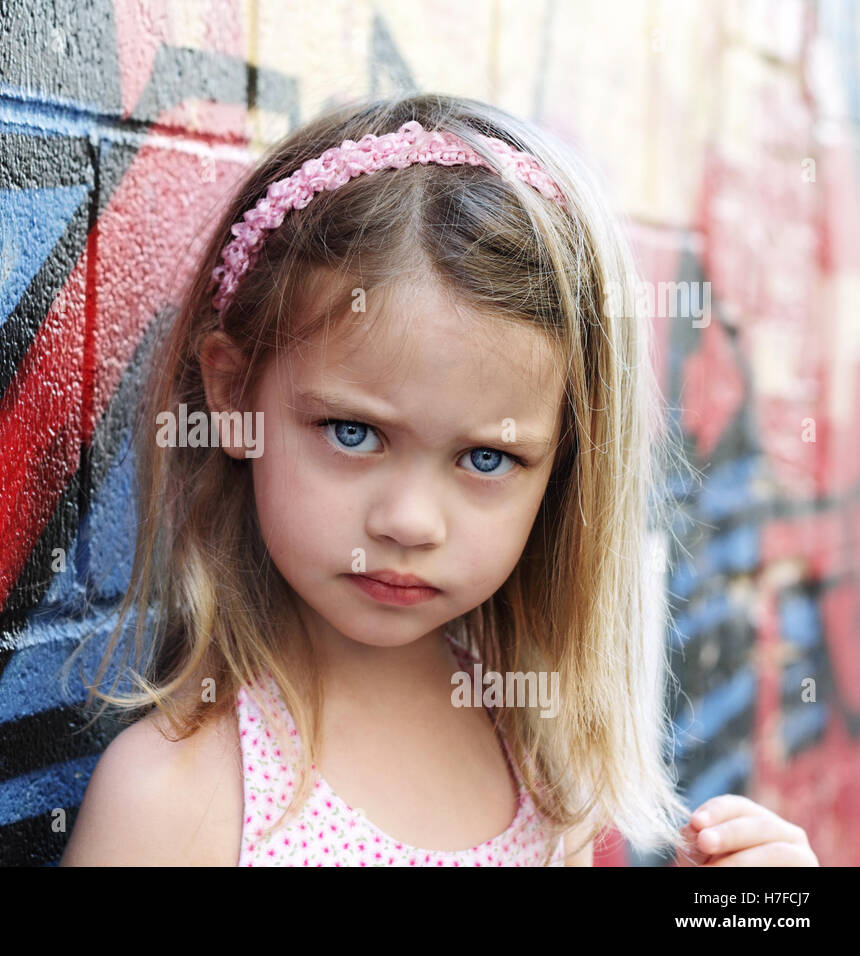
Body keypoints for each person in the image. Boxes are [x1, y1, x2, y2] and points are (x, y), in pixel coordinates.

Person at [58, 92, 819, 867]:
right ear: (231, 392)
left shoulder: (541, 751)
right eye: (353, 434)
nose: (411, 521)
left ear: (561, 468)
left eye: (487, 458)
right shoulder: (178, 802)